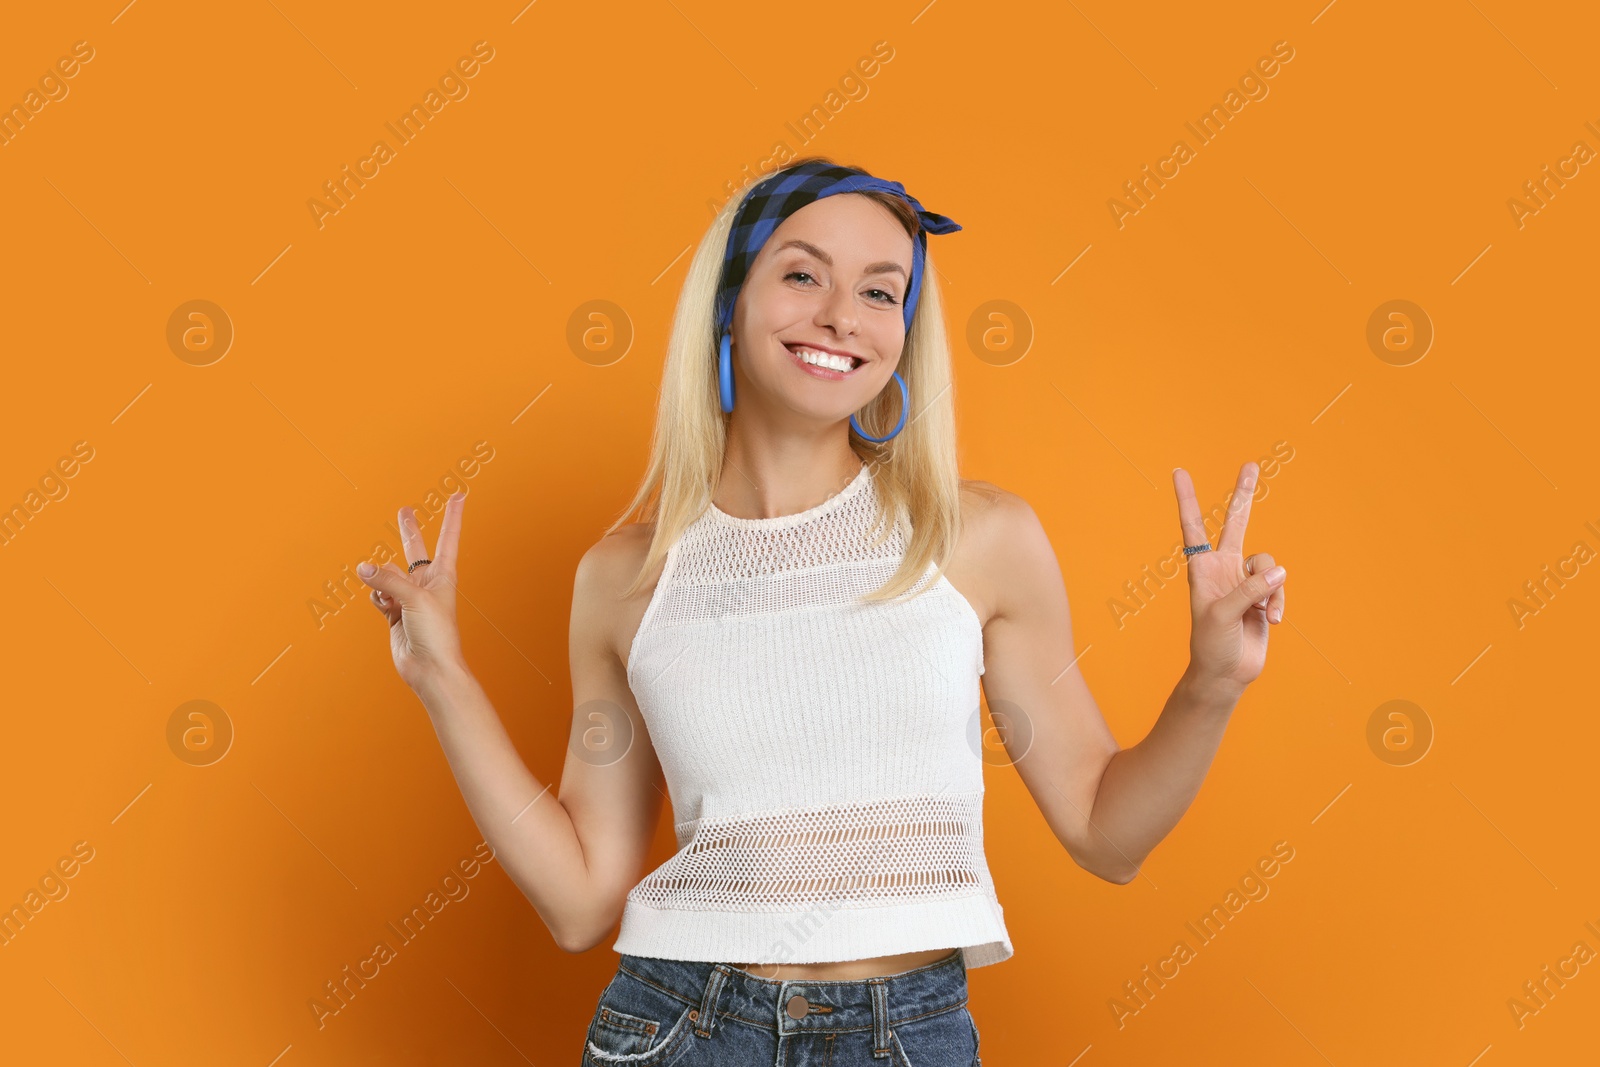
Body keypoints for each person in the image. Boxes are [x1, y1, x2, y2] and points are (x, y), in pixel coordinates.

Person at [355, 156, 1289, 1065]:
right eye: (803, 274)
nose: (843, 316)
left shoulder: (975, 539)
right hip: (680, 1026)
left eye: (882, 292)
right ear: (730, 303)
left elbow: (1104, 833)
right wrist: (441, 677)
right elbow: (581, 900)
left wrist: (1211, 682)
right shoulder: (625, 578)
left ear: (904, 330)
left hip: (908, 1033)